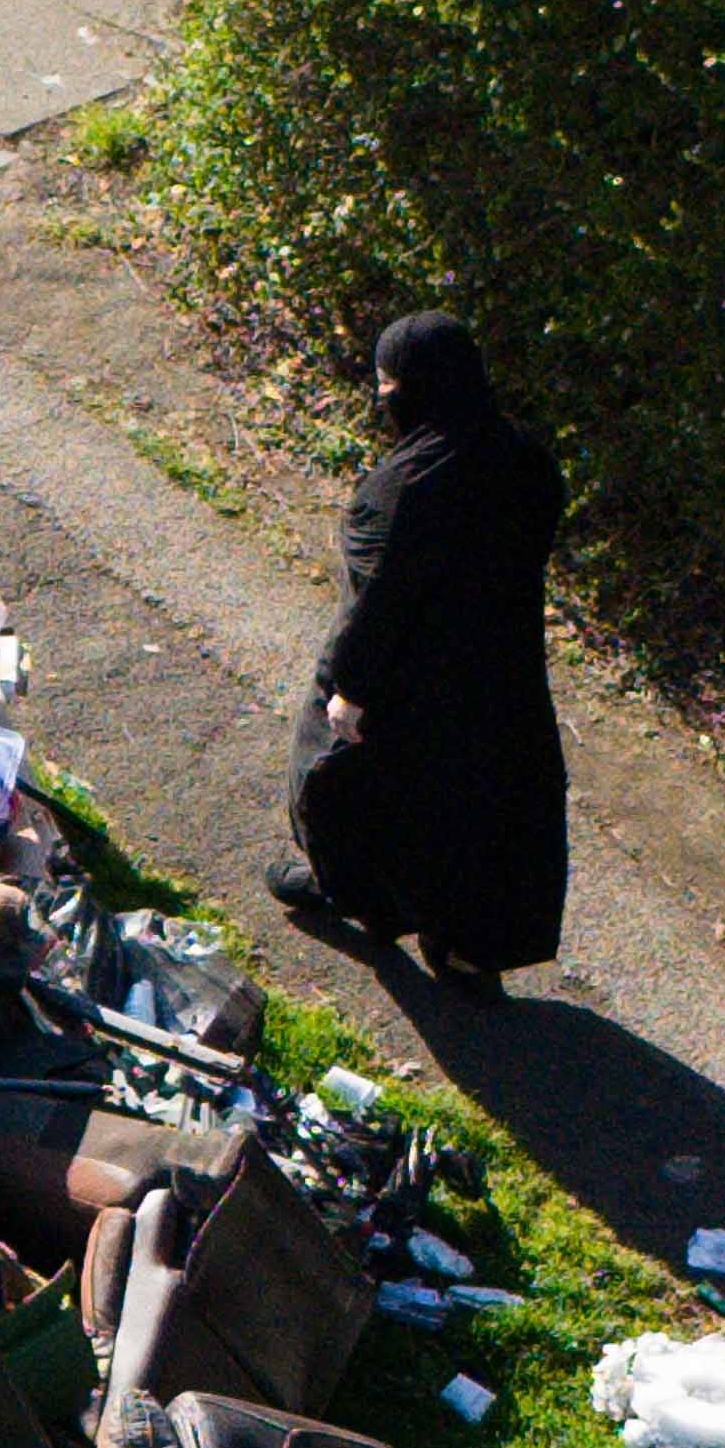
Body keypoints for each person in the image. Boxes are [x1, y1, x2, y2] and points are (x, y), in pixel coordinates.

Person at [266, 310, 566, 992]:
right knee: (487, 810)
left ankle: (347, 890)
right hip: (502, 675)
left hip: (409, 677)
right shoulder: (529, 461)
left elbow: (377, 605)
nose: (380, 397)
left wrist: (350, 687)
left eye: (385, 384)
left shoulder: (400, 490)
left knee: (337, 771)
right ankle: (467, 953)